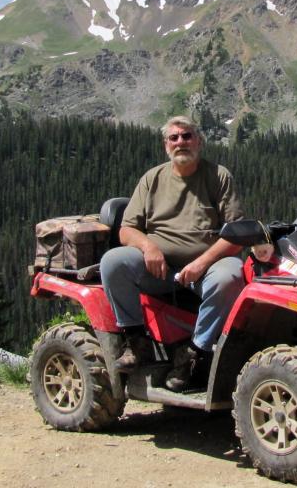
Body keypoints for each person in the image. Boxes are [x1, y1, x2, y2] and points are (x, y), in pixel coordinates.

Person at [100, 115, 245, 392]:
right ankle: (136, 342)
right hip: (159, 269)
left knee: (230, 276)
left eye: (187, 136)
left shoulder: (218, 176)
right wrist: (148, 247)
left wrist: (202, 263)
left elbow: (236, 233)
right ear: (166, 144)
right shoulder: (152, 179)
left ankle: (192, 354)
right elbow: (126, 230)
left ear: (199, 141)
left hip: (206, 268)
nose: (181, 142)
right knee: (113, 262)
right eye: (174, 138)